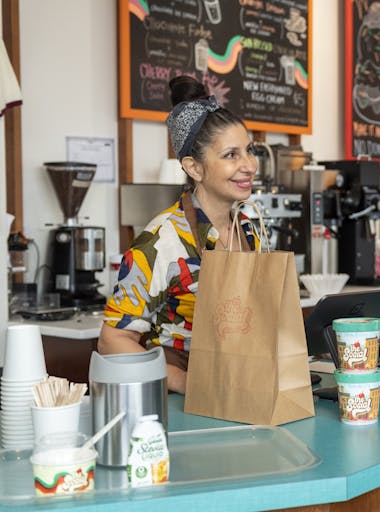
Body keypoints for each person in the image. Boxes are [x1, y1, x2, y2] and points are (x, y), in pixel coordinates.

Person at [98, 76, 259, 394]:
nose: (249, 165)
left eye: (249, 151)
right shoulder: (162, 239)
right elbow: (112, 340)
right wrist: (185, 383)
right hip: (181, 404)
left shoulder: (249, 231)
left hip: (241, 390)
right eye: (231, 155)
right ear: (194, 168)